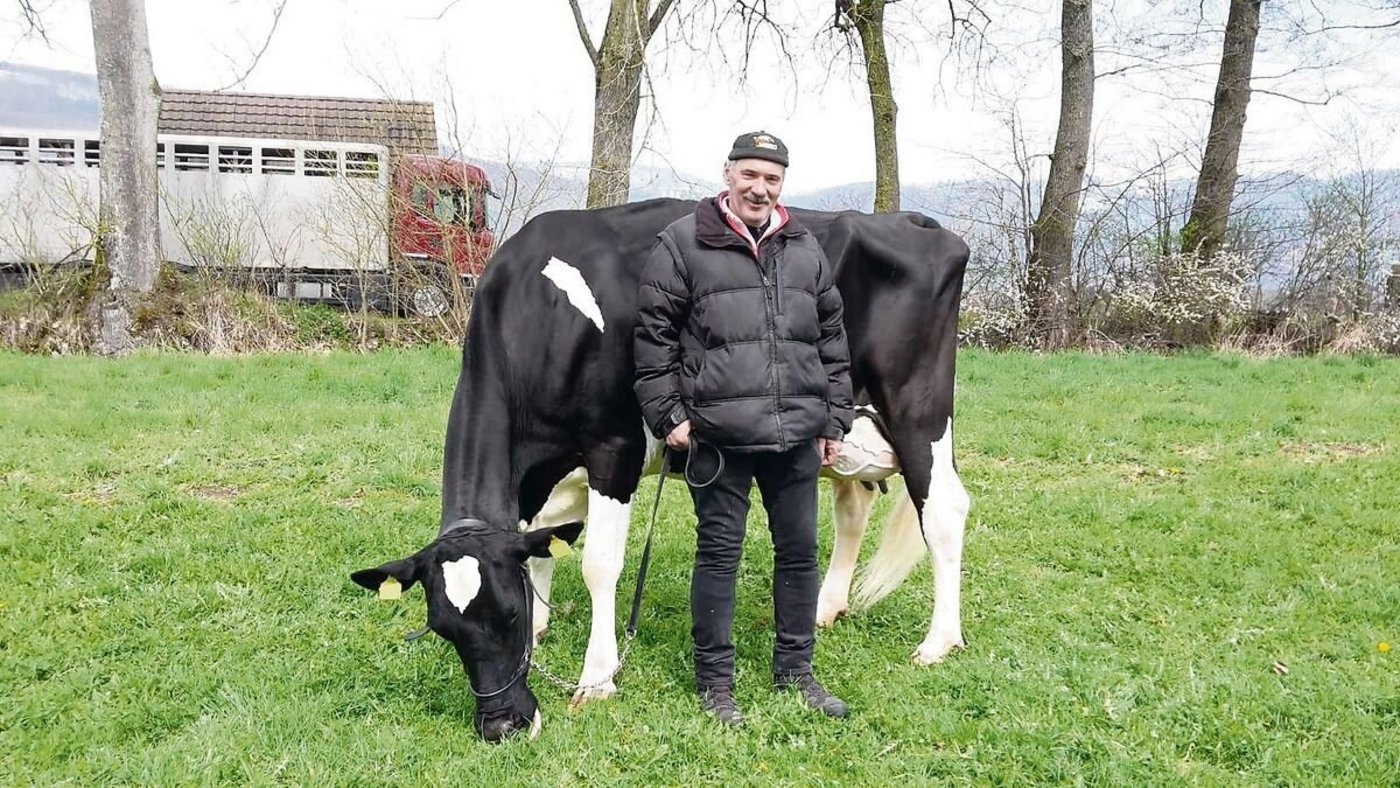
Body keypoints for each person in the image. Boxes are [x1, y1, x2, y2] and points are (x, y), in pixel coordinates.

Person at [633, 131, 854, 725]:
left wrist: (835, 417)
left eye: (772, 178)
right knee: (718, 555)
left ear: (782, 183)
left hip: (796, 435)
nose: (760, 187)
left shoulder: (805, 247)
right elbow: (652, 338)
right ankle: (715, 682)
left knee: (800, 555)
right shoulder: (682, 243)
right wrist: (669, 415)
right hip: (719, 436)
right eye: (749, 174)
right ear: (727, 173)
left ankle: (796, 669)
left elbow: (831, 338)